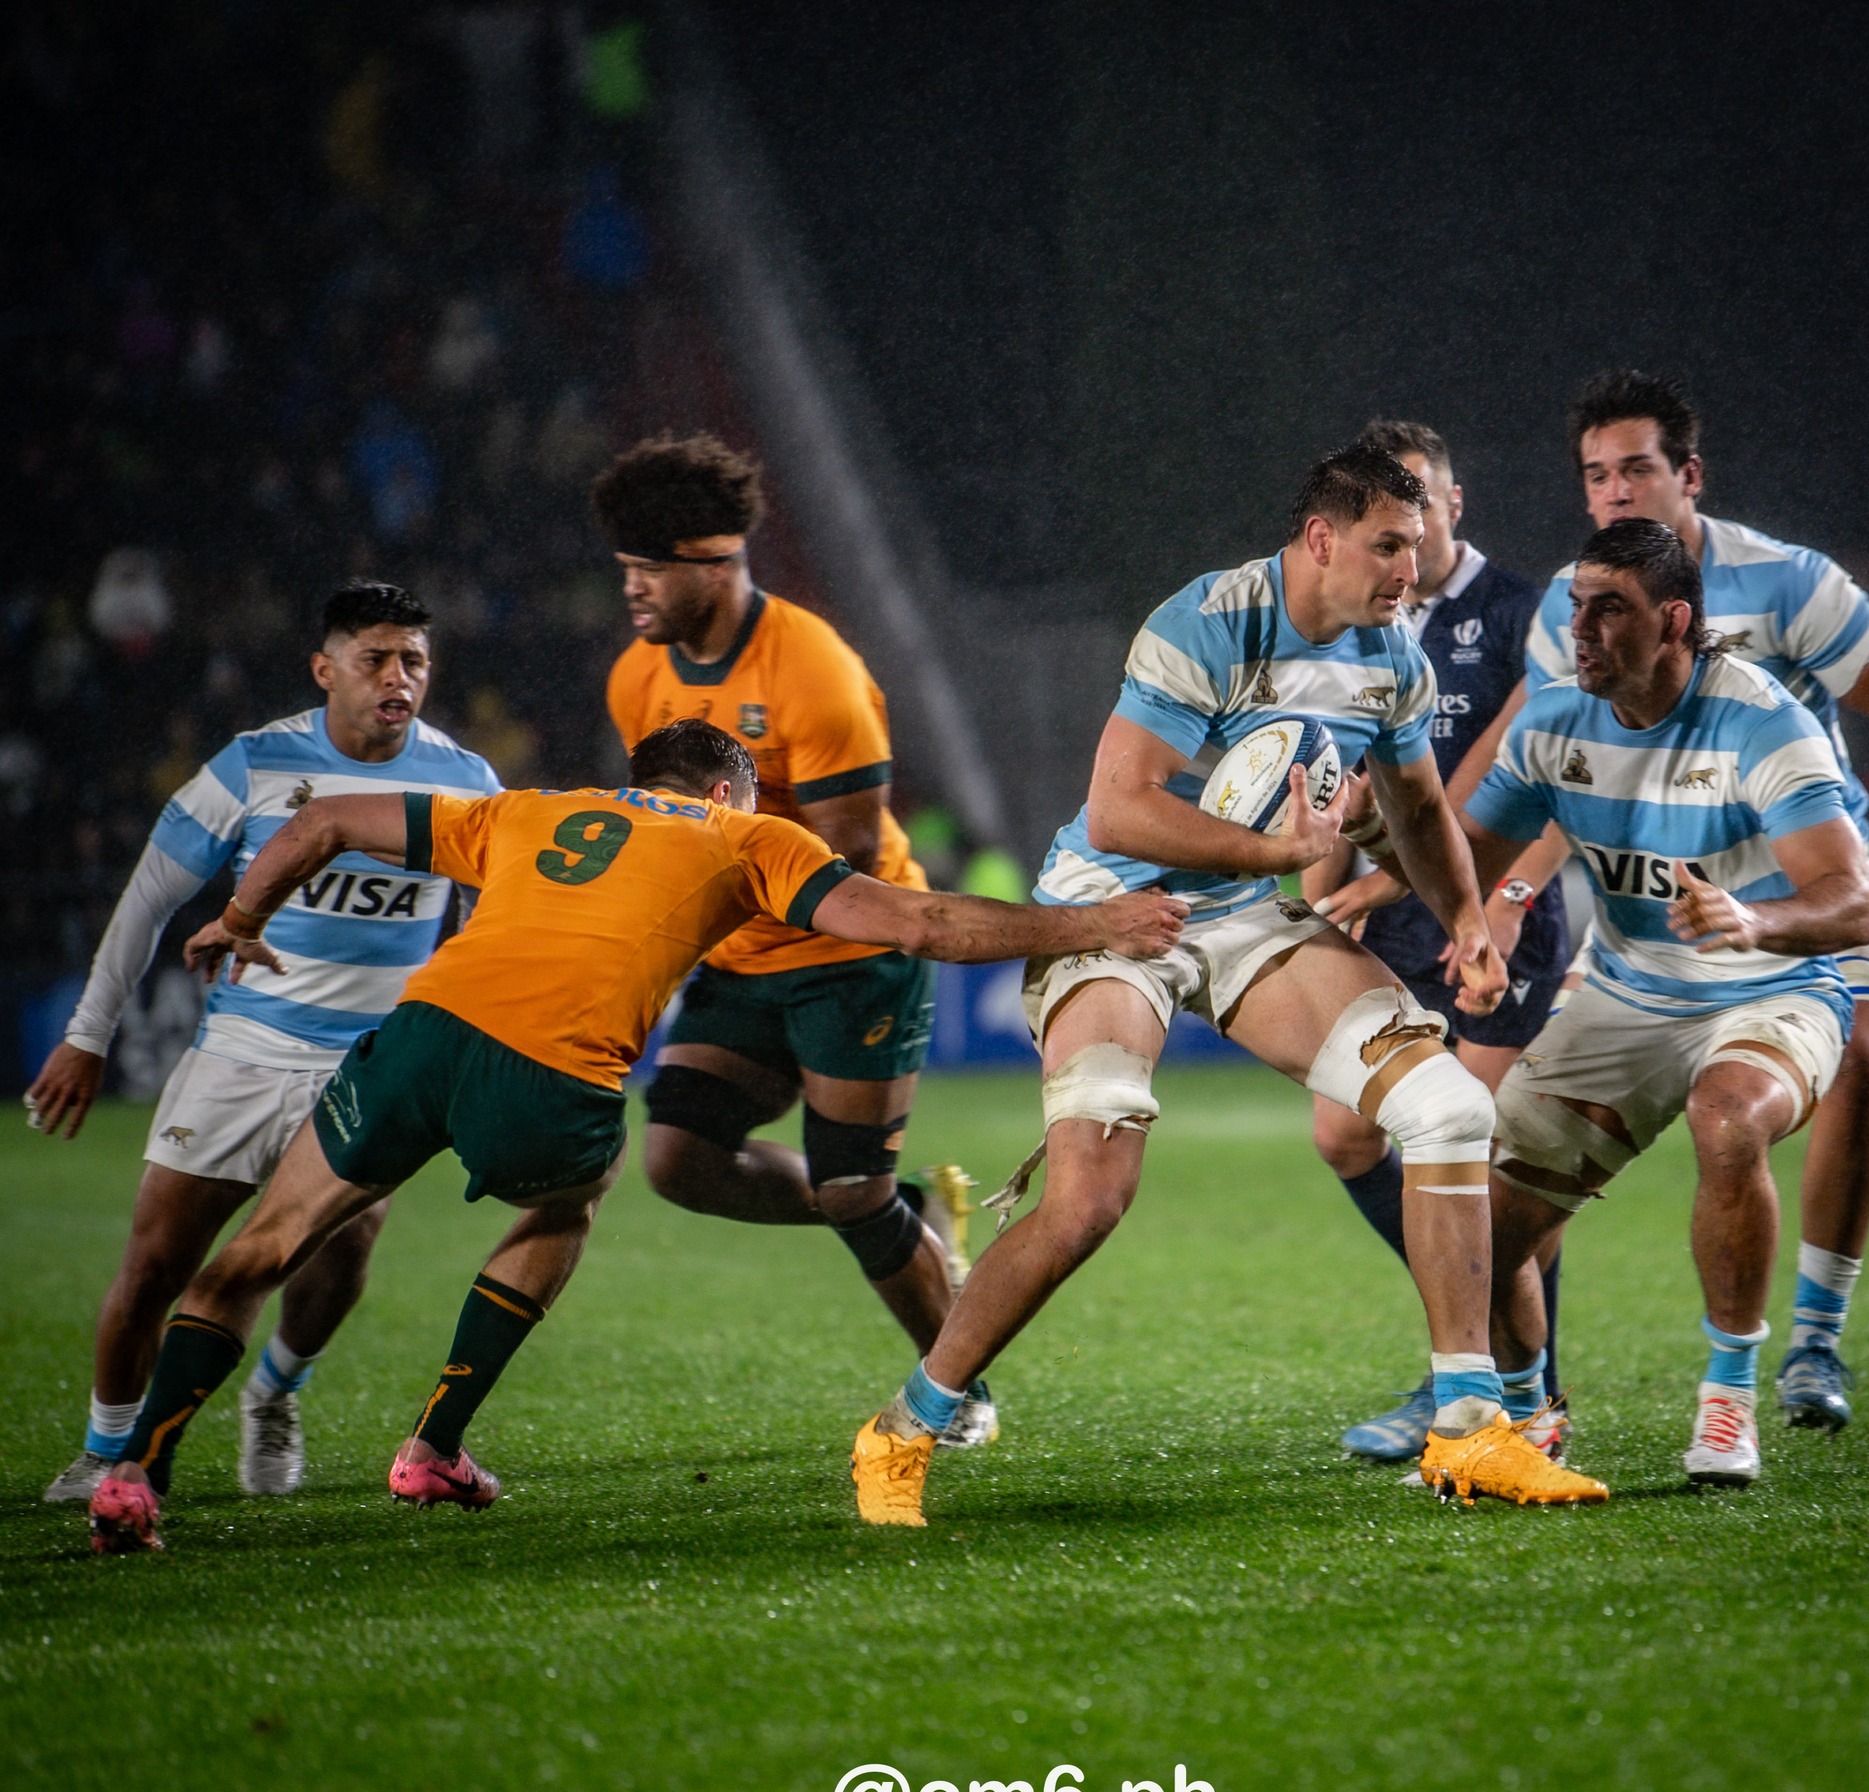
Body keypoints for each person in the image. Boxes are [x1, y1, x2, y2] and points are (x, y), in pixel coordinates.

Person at [85, 719, 1187, 1554]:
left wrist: (237, 919)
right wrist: (1095, 922)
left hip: (420, 1036)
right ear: (723, 787)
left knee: (263, 1242)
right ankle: (429, 1448)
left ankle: (132, 1473)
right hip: (553, 1070)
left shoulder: (524, 809)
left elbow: (321, 820)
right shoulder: (746, 831)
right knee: (569, 1195)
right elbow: (920, 919)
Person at [847, 440, 1612, 1528]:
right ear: (1318, 539)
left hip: (1245, 917)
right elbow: (1118, 809)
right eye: (1385, 543)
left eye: (1416, 541)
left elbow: (1417, 805)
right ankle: (905, 1425)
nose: (1409, 565)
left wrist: (1462, 923)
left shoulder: (1392, 654)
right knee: (1086, 1199)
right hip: (1111, 913)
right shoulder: (1207, 620)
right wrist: (1273, 854)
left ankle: (1468, 1429)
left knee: (1444, 1106)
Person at [1524, 372, 1869, 1430]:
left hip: (1800, 890)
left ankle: (1811, 1340)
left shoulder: (1789, 581)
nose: (1614, 491)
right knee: (1532, 1120)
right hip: (1650, 900)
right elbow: (1541, 760)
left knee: (1865, 1052)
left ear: (1688, 475)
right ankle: (1519, 1376)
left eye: (1635, 468)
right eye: (1595, 474)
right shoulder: (1572, 601)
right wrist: (1510, 885)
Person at [27, 582, 499, 1504]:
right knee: (159, 1261)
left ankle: (275, 1394)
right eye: (376, 659)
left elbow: (496, 926)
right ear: (326, 669)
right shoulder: (253, 765)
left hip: (370, 1064)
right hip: (243, 1055)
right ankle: (103, 1447)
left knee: (343, 1256)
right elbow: (148, 901)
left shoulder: (469, 781)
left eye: (415, 661)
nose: (398, 678)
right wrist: (87, 1036)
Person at [594, 437, 998, 1442]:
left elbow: (846, 858)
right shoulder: (635, 678)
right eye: (624, 569)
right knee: (679, 1159)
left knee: (849, 1188)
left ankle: (960, 1395)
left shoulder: (813, 669)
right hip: (743, 954)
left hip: (850, 953)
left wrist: (696, 905)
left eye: (647, 569)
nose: (632, 589)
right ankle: (909, 1213)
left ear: (712, 561)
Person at [1465, 520, 1869, 1486]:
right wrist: (1376, 833)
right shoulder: (1554, 722)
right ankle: (1530, 1427)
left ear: (1675, 621)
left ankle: (1730, 1406)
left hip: (1774, 990)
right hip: (1629, 996)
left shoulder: (1762, 720)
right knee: (1481, 1226)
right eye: (1577, 607)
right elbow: (1461, 862)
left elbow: (1852, 901)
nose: (1583, 630)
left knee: (1726, 1119)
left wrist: (1753, 919)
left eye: (1610, 610)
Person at [1298, 421, 1574, 1466]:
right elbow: (1331, 769)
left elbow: (1554, 771)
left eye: (1422, 499)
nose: (1406, 528)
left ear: (1453, 504)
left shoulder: (1518, 611)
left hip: (1497, 914)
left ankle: (1507, 1387)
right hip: (1389, 916)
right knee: (1345, 1133)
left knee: (1489, 1163)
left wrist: (1500, 895)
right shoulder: (1357, 623)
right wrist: (1309, 898)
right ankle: (1469, 1349)